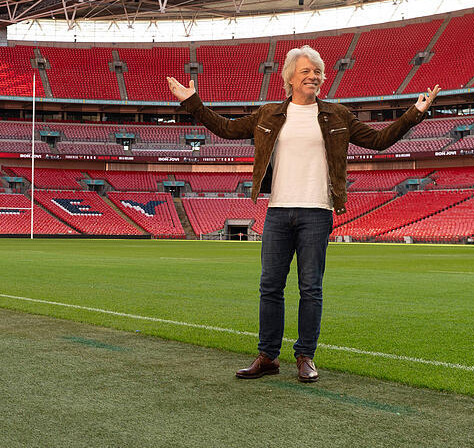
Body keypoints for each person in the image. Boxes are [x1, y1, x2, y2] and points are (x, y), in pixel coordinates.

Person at [167, 45, 440, 383]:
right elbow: (225, 128)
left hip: (317, 211)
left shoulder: (337, 115)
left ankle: (305, 356)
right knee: (270, 286)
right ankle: (267, 356)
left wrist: (416, 111)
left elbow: (380, 140)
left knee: (310, 288)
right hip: (278, 211)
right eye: (307, 71)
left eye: (317, 72)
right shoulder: (268, 114)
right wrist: (192, 102)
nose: (314, 76)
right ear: (290, 78)